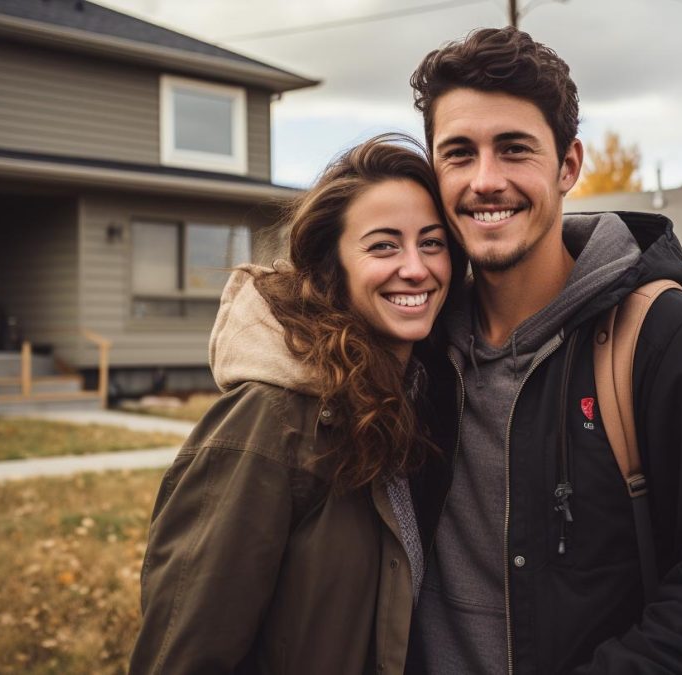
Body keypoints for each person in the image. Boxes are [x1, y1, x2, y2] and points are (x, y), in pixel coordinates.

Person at [405, 27, 682, 674]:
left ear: (568, 165)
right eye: (458, 152)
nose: (485, 179)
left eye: (514, 149)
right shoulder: (415, 350)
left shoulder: (675, 341)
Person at [129, 134, 464, 675]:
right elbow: (185, 653)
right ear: (333, 265)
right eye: (382, 245)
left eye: (432, 242)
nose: (416, 267)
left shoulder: (419, 401)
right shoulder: (271, 420)